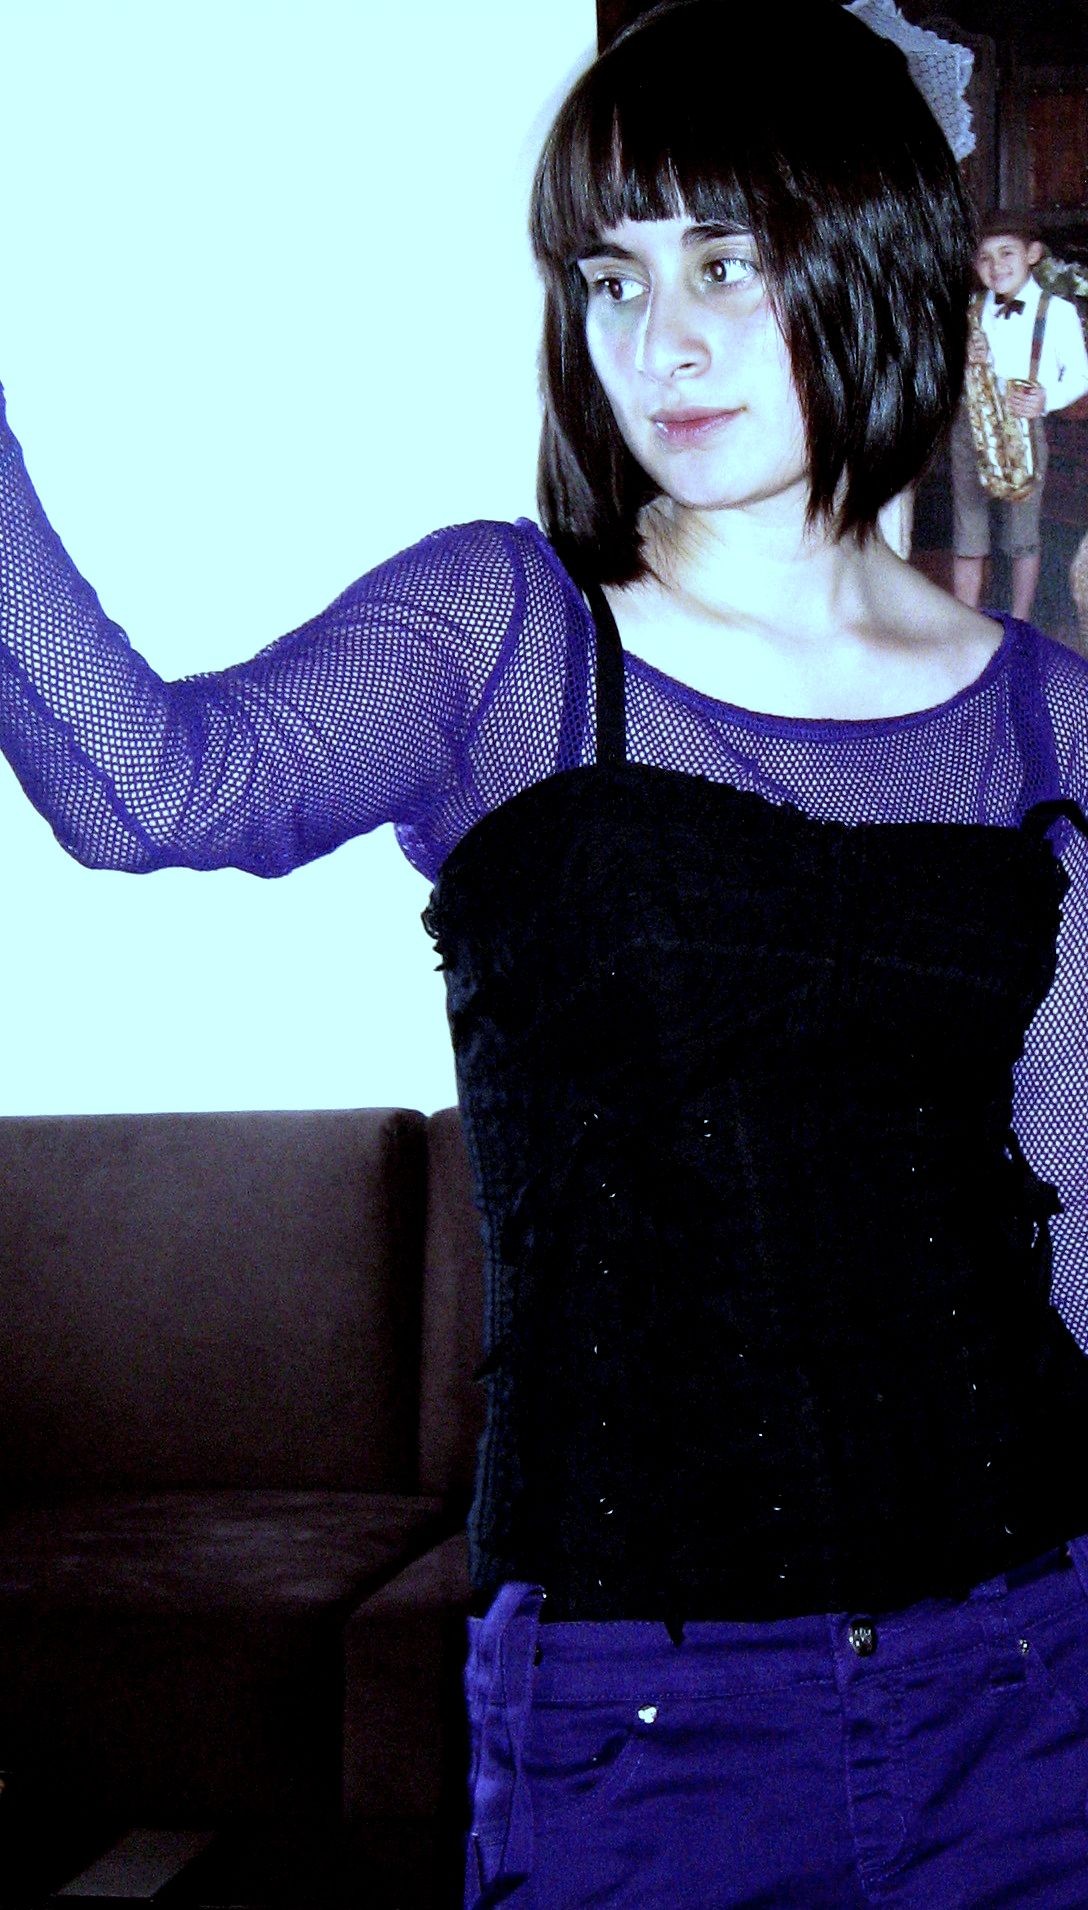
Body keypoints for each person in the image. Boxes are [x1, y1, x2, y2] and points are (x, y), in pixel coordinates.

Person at [3, 2, 1088, 1902]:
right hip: (642, 1722)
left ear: (877, 260)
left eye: (727, 264)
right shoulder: (498, 639)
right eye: (609, 276)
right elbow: (147, 789)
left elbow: (1073, 1213)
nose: (657, 341)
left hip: (1031, 1672)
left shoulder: (1043, 719)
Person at [951, 210, 1088, 622]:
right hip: (972, 429)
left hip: (1024, 430)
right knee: (968, 530)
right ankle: (964, 621)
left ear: (1033, 254)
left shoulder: (1057, 311)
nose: (995, 266)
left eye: (1006, 253)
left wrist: (1046, 398)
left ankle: (1020, 621)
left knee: (1022, 535)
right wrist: (963, 358)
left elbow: (1081, 375)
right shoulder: (971, 309)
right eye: (984, 258)